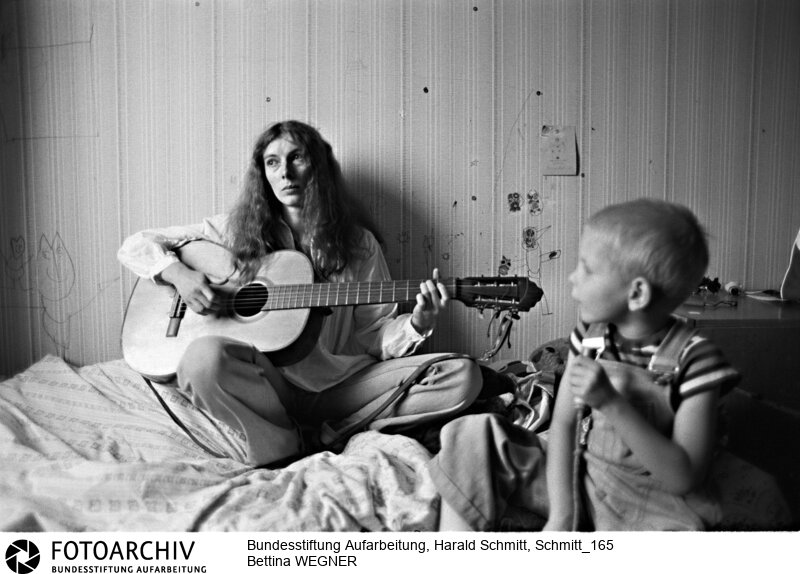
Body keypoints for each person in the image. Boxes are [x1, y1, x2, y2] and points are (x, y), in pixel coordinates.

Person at [118, 120, 483, 467]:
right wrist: (179, 274)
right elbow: (136, 245)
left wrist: (417, 323)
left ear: (318, 167)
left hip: (342, 388)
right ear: (263, 174)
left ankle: (326, 433)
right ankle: (288, 438)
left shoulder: (359, 244)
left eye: (297, 158)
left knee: (461, 376)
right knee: (199, 360)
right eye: (272, 162)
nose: (285, 172)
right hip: (267, 388)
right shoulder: (233, 231)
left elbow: (373, 335)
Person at [431, 198, 739, 531]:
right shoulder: (590, 337)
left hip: (656, 510)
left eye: (587, 269)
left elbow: (683, 477)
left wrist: (612, 403)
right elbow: (564, 424)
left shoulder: (695, 360)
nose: (572, 277)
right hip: (587, 483)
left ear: (637, 294)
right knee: (475, 436)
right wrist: (563, 514)